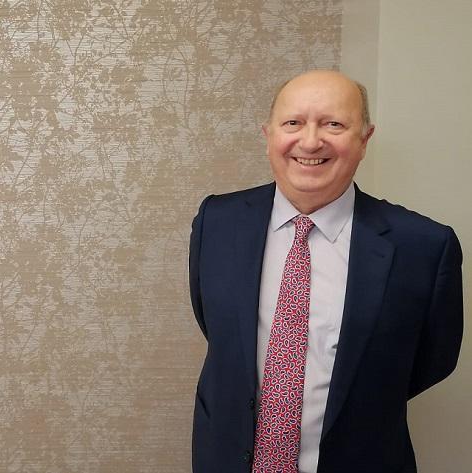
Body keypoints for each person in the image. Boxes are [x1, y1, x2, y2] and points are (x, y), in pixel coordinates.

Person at [189, 70, 463, 473]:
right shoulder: (217, 222)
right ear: (268, 134)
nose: (310, 141)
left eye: (334, 124)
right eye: (293, 123)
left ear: (364, 139)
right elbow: (220, 333)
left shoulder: (423, 247)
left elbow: (431, 362)